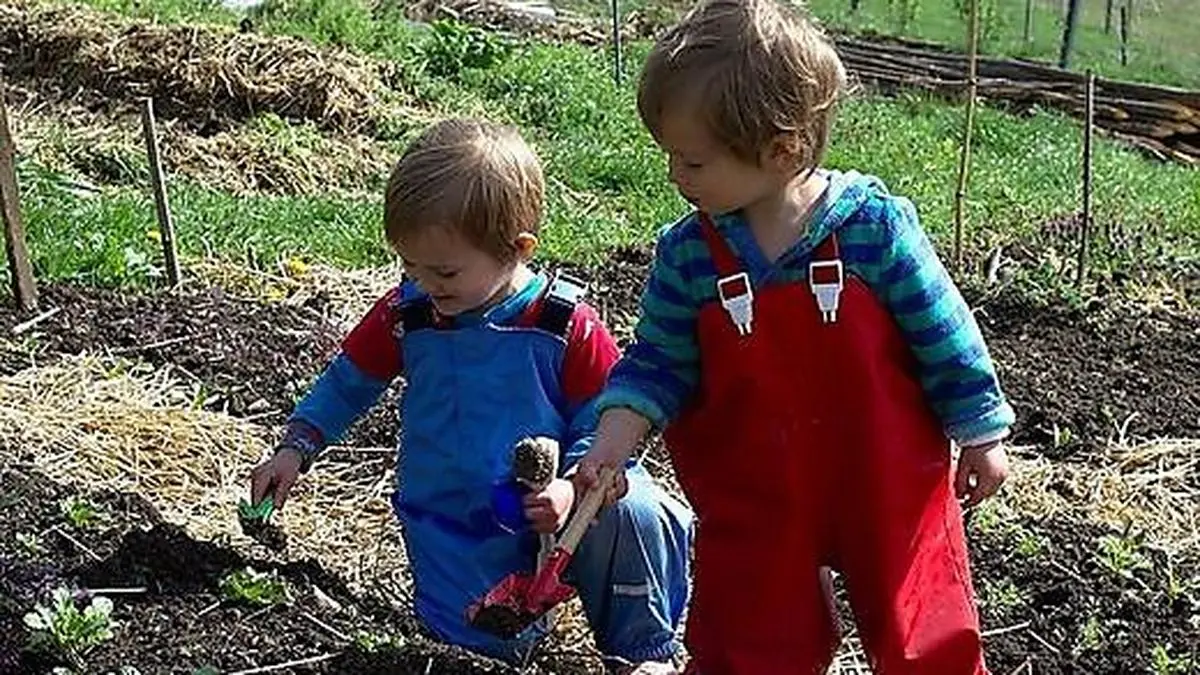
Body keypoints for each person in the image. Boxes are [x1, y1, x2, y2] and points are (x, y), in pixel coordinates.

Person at [572, 1, 1017, 672]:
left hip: (883, 481)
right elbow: (657, 360)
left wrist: (981, 429)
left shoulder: (872, 230)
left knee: (924, 628)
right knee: (750, 637)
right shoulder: (690, 256)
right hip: (756, 491)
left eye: (691, 162)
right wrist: (613, 440)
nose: (673, 177)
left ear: (783, 151)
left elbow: (943, 329)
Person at [248, 117, 692, 674]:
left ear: (517, 248)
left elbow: (603, 419)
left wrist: (570, 488)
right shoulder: (407, 316)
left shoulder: (560, 324)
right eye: (408, 263)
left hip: (552, 509)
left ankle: (641, 655)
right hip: (450, 520)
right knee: (476, 655)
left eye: (445, 270)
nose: (424, 282)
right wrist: (296, 447)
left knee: (636, 510)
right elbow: (348, 382)